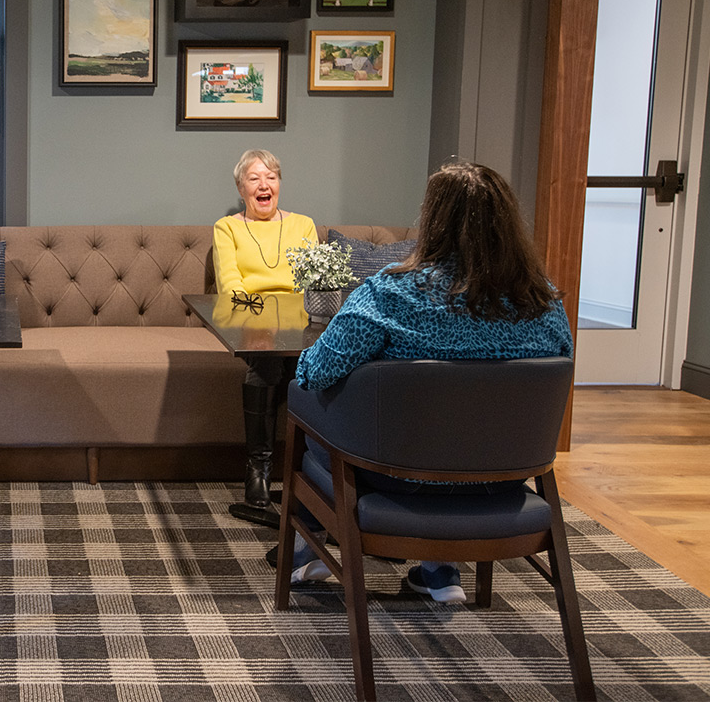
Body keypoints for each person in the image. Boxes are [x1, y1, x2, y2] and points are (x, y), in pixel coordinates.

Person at [286, 160, 574, 602]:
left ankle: (309, 549)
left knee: (314, 417)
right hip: (502, 482)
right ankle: (440, 572)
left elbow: (314, 371)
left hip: (397, 481)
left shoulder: (391, 296)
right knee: (459, 433)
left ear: (433, 221)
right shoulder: (545, 305)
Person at [212, 149, 317, 522]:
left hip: (301, 321)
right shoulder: (228, 228)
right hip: (251, 320)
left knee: (305, 371)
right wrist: (267, 316)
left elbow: (311, 282)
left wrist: (288, 314)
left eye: (271, 177)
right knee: (267, 366)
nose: (264, 185)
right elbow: (231, 285)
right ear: (241, 188)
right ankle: (258, 472)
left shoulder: (303, 225)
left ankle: (310, 477)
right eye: (255, 178)